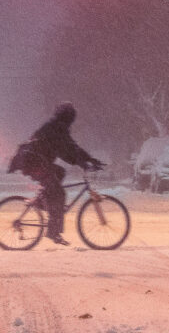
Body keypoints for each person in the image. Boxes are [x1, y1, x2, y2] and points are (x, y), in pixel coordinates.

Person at [12, 102, 104, 245]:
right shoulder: (56, 128)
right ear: (67, 117)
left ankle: (43, 202)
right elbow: (66, 150)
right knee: (59, 194)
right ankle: (53, 232)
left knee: (60, 172)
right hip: (34, 162)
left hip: (36, 161)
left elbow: (71, 148)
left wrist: (89, 159)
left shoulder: (57, 127)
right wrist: (83, 162)